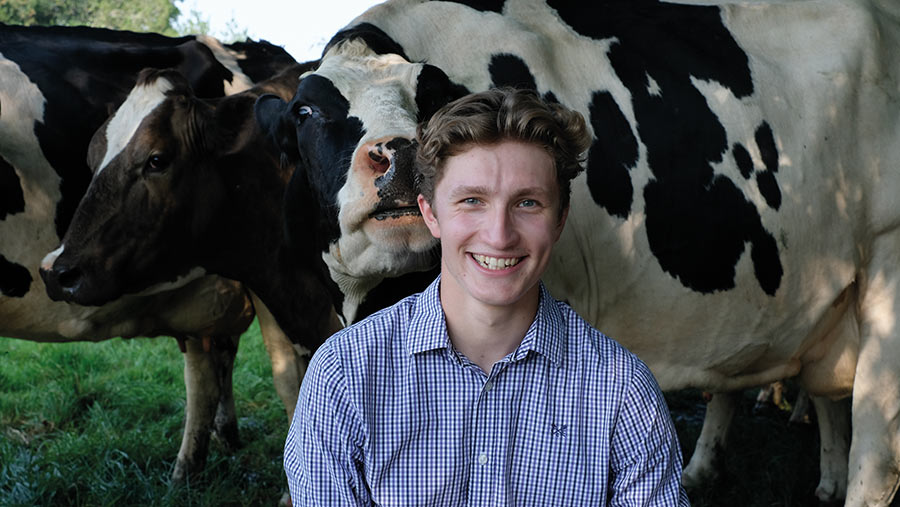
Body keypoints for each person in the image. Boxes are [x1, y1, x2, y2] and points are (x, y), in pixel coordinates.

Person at [284, 88, 690, 506]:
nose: (499, 235)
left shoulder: (621, 390)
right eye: (472, 201)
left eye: (528, 202)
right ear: (431, 214)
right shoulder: (344, 376)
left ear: (559, 220)